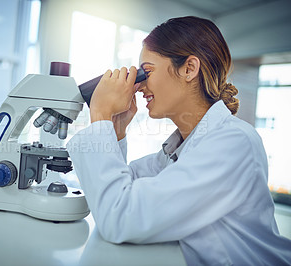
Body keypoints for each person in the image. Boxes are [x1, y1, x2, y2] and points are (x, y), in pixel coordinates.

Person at [66, 16, 291, 265]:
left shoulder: (233, 143)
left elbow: (121, 218)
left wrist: (100, 115)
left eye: (146, 72)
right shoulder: (180, 150)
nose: (139, 87)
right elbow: (117, 190)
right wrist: (114, 130)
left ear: (189, 69)